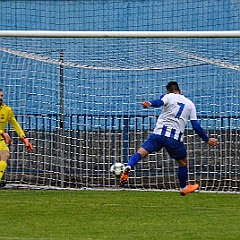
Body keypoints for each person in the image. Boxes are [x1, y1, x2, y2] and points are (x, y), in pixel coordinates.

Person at [120, 81, 218, 196]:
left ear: (168, 91)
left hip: (158, 135)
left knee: (140, 153)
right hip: (174, 139)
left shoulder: (168, 96)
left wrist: (150, 103)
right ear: (180, 91)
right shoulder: (190, 104)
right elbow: (195, 126)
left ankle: (128, 166)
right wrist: (207, 140)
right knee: (183, 163)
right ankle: (183, 188)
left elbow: (159, 102)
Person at [0, 88, 33, 187]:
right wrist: (2, 132)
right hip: (2, 136)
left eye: (1, 96)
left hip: (0, 140)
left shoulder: (7, 110)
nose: (0, 98)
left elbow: (15, 124)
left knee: (5, 155)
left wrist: (24, 138)